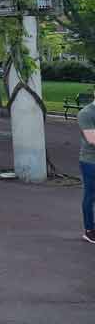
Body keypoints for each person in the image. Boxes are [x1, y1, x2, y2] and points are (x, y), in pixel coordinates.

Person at [77, 98, 95, 244]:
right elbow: (92, 139)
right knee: (91, 195)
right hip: (90, 161)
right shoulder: (86, 113)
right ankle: (89, 231)